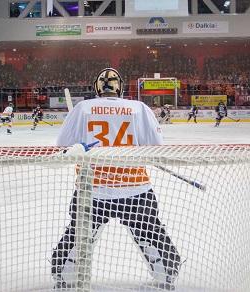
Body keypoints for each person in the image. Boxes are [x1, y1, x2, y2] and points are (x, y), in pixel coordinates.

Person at [53, 68, 181, 289]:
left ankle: (66, 278)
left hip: (92, 189)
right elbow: (157, 147)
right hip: (135, 187)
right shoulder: (138, 108)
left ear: (97, 87)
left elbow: (63, 146)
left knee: (79, 233)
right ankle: (165, 276)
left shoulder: (83, 108)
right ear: (121, 87)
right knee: (149, 231)